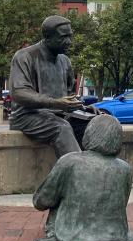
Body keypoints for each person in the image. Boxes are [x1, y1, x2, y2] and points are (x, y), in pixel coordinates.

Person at [32, 115, 133, 241]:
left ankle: (72, 230)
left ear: (89, 135)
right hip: (116, 235)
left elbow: (41, 201)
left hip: (71, 236)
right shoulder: (125, 168)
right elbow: (121, 203)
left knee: (57, 200)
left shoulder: (69, 161)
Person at [8, 15, 83, 158]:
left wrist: (80, 106)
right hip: (26, 116)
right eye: (63, 37)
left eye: (70, 36)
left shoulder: (65, 61)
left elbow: (69, 93)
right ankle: (78, 175)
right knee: (62, 128)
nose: (69, 42)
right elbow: (19, 92)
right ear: (47, 36)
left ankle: (96, 171)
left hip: (58, 114)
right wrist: (54, 102)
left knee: (96, 123)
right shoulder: (24, 56)